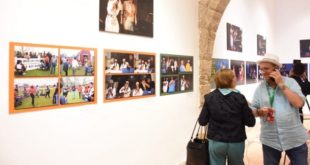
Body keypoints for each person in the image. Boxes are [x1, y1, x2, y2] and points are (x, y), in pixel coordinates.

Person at [251, 53, 308, 165]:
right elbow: (253, 108)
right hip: (270, 139)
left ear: (276, 69)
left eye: (266, 69)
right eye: (261, 69)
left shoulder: (291, 82)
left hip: (294, 137)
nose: (263, 72)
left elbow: (299, 103)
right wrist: (258, 112)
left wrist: (282, 85)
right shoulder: (260, 88)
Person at [198, 69, 255, 165]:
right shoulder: (240, 98)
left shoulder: (209, 97)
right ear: (230, 80)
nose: (236, 79)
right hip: (236, 141)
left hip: (216, 142)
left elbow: (202, 121)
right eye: (234, 76)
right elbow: (251, 122)